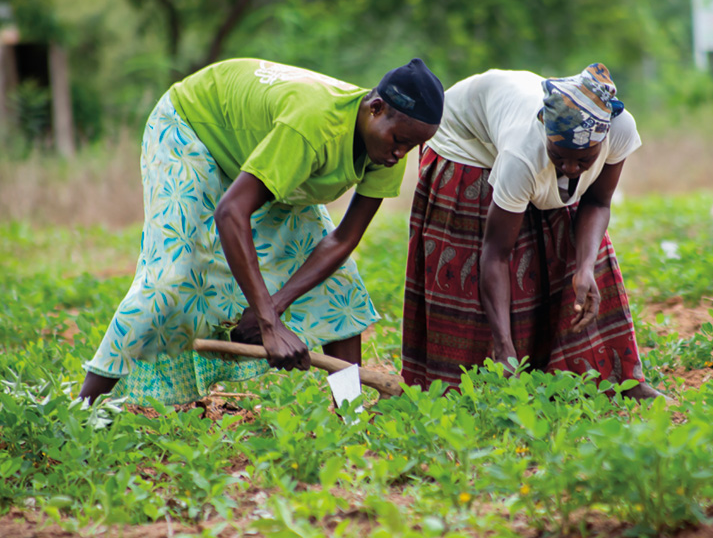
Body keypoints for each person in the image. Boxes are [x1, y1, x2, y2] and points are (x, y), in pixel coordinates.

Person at [79, 57, 443, 405]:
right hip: (191, 127)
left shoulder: (387, 147)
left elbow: (342, 240)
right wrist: (269, 322)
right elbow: (230, 213)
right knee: (169, 280)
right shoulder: (313, 126)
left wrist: (275, 305)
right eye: (399, 140)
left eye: (411, 145)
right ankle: (83, 406)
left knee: (341, 285)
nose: (401, 153)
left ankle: (351, 416)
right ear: (376, 108)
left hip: (256, 154)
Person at [401, 62, 661, 400]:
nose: (568, 169)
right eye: (559, 157)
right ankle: (468, 391)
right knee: (474, 263)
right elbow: (495, 254)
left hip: (507, 122)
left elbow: (596, 202)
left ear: (603, 140)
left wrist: (584, 269)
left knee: (575, 248)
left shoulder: (619, 129)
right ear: (545, 133)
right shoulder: (522, 154)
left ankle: (610, 380)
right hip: (464, 143)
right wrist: (503, 343)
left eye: (582, 161)